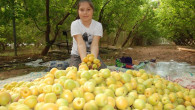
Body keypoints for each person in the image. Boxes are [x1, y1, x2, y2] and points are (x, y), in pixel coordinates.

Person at [69, 0, 107, 69]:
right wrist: (85, 63)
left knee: (103, 71)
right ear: (78, 11)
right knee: (74, 72)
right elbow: (80, 44)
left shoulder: (98, 25)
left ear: (93, 11)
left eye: (88, 9)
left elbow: (95, 44)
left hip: (92, 55)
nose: (85, 13)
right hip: (77, 55)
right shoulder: (75, 24)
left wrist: (93, 61)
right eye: (82, 10)